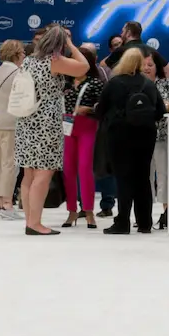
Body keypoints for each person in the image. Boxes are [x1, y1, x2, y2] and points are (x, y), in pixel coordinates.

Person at [15, 25, 90, 236]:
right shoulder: (54, 61)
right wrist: (71, 45)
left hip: (27, 120)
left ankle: (30, 221)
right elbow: (83, 66)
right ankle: (36, 223)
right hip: (46, 121)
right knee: (43, 174)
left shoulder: (29, 60)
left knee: (29, 174)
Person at [96, 47, 165, 235]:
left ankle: (123, 222)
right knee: (143, 178)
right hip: (146, 135)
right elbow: (160, 111)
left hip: (119, 136)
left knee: (123, 178)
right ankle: (145, 223)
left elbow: (100, 111)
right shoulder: (149, 84)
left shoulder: (114, 83)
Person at [63, 51, 107, 229]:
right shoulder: (64, 82)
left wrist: (88, 108)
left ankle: (88, 210)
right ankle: (71, 210)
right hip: (66, 125)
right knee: (68, 169)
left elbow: (103, 106)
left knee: (84, 168)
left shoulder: (95, 82)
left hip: (87, 126)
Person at [0, 40, 24, 220]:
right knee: (10, 165)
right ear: (16, 54)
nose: (24, 56)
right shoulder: (19, 73)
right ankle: (7, 205)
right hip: (9, 123)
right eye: (22, 52)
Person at [145, 49, 169, 230]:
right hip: (141, 137)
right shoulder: (136, 83)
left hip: (163, 136)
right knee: (144, 177)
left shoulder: (168, 83)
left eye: (150, 65)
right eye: (143, 65)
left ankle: (167, 213)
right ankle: (143, 214)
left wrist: (161, 105)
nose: (146, 68)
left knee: (164, 175)